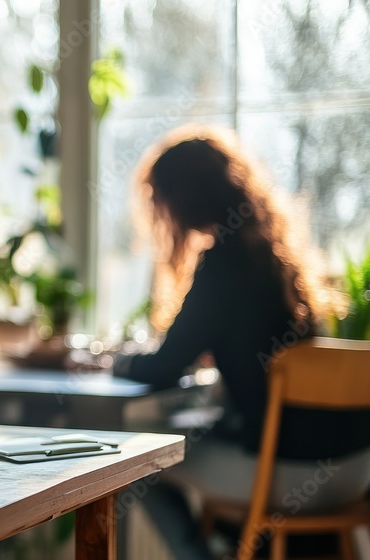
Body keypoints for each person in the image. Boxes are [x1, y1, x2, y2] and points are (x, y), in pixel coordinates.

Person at [112, 125, 370, 558]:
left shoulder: (221, 264)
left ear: (180, 200)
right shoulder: (275, 259)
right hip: (354, 469)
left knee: (129, 466)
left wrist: (116, 362)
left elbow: (162, 367)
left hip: (286, 473)